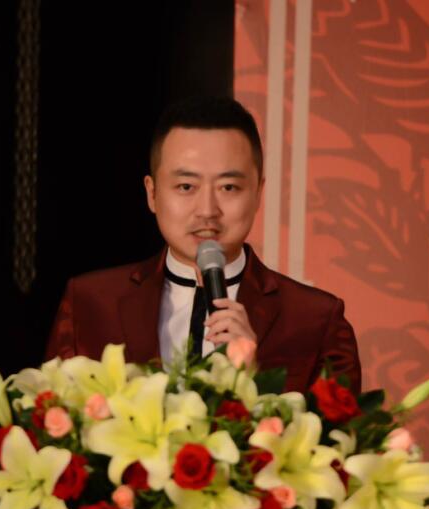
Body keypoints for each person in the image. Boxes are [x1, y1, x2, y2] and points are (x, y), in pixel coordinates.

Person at [44, 96, 360, 393]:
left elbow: (339, 431)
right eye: (186, 186)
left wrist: (254, 381)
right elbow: (49, 418)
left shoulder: (316, 320)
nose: (207, 210)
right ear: (152, 193)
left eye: (228, 187)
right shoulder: (90, 304)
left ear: (257, 194)